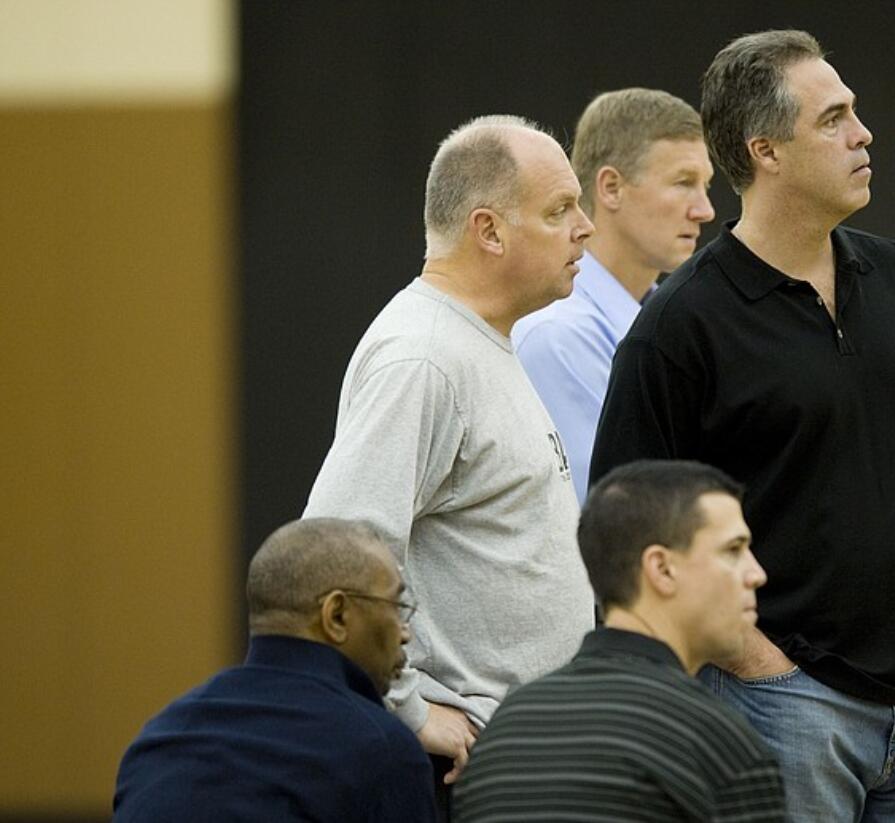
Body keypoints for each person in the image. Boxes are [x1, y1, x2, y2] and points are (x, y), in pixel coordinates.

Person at [589, 30, 895, 822]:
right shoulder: (680, 324)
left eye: (855, 114)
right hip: (782, 708)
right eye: (833, 118)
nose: (862, 133)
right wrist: (758, 666)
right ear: (764, 150)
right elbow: (622, 532)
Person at [303, 116, 597, 811]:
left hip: (522, 761)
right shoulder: (423, 359)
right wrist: (407, 707)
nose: (585, 227)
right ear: (489, 230)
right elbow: (332, 557)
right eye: (560, 210)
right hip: (469, 774)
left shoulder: (481, 342)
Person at [452, 460, 786, 822]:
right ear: (661, 568)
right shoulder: (717, 744)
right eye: (733, 550)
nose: (756, 574)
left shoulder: (505, 733)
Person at [113, 518, 435, 822]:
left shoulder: (158, 740)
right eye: (396, 607)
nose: (405, 633)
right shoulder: (381, 751)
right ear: (336, 616)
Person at [512, 89, 715, 502]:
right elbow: (616, 523)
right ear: (611, 187)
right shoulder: (559, 337)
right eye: (683, 183)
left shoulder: (670, 324)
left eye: (706, 186)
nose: (705, 210)